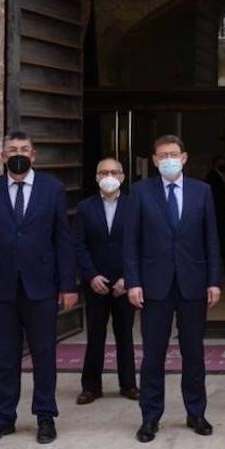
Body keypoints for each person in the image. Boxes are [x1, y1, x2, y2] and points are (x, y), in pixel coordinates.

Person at [0, 131, 76, 445]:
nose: (18, 153)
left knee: (44, 354)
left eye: (24, 149)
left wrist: (68, 285)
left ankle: (45, 416)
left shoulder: (53, 189)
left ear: (34, 155)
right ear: (3, 156)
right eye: (12, 149)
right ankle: (4, 416)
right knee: (7, 356)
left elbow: (62, 240)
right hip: (0, 290)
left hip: (42, 288)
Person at [124, 134, 223, 443]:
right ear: (154, 160)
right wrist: (133, 282)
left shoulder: (202, 191)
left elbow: (212, 238)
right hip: (154, 285)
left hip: (193, 283)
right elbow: (131, 242)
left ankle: (196, 412)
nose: (168, 159)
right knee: (153, 355)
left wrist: (213, 280)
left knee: (193, 353)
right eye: (162, 154)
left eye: (174, 154)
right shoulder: (140, 192)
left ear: (184, 157)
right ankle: (150, 417)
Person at [72, 158, 138, 405]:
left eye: (114, 172)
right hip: (96, 283)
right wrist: (91, 275)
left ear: (122, 177)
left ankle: (129, 384)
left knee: (125, 334)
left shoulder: (134, 205)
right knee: (95, 335)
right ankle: (91, 386)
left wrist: (128, 278)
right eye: (104, 172)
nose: (109, 176)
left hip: (124, 283)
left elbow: (139, 244)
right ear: (97, 177)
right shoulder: (85, 207)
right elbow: (78, 244)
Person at [204, 155, 225, 273]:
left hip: (218, 214)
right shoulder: (213, 178)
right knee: (221, 241)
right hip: (216, 214)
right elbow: (217, 197)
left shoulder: (219, 177)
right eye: (222, 163)